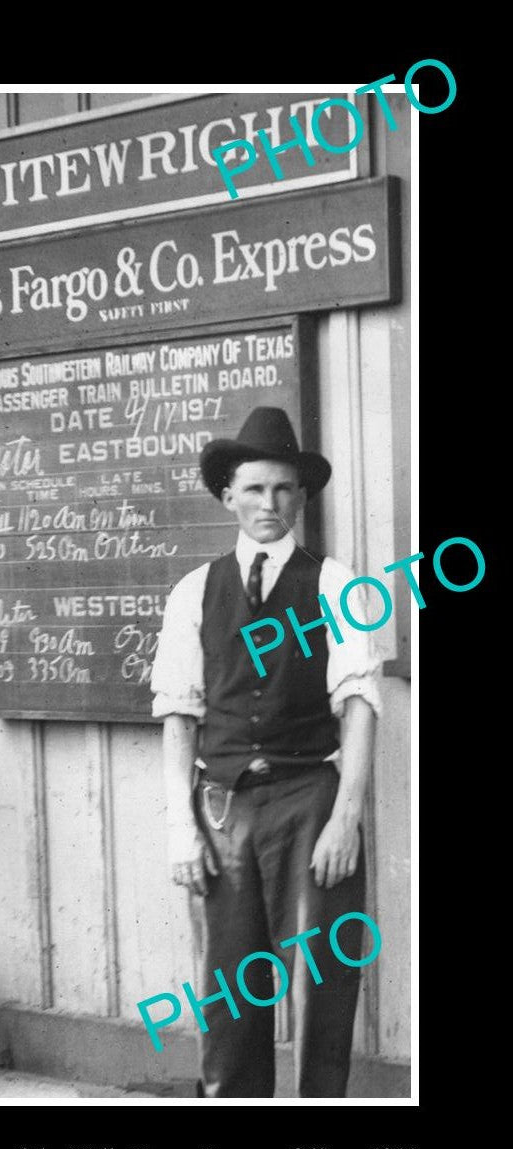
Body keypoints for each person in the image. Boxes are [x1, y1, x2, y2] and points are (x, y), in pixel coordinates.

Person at [150, 407, 381, 1098]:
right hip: (222, 808)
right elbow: (178, 715)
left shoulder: (335, 584)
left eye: (283, 490)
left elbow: (362, 706)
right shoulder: (195, 592)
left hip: (309, 801)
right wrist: (181, 827)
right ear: (229, 496)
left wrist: (346, 818)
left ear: (302, 498)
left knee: (321, 980)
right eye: (254, 489)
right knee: (227, 987)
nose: (269, 504)